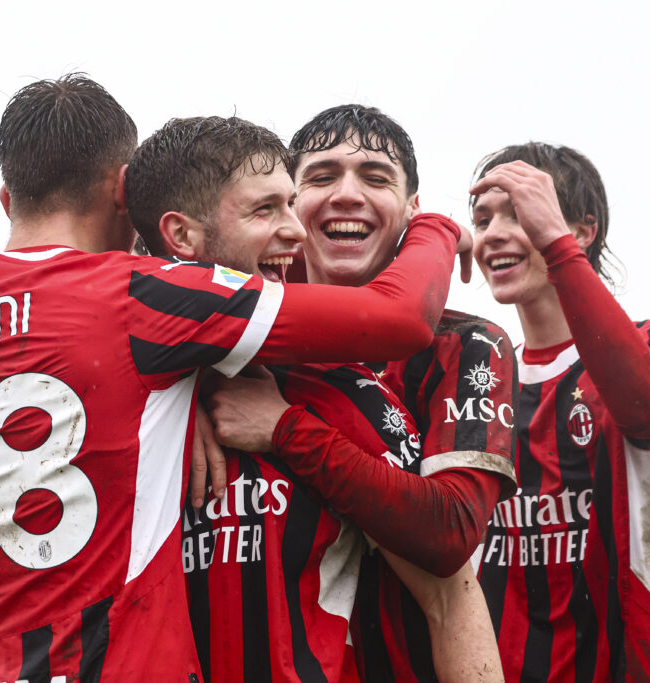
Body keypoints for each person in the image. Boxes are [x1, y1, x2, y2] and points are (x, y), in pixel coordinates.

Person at [0, 75, 467, 682]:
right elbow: (399, 319)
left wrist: (176, 391)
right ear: (123, 190)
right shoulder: (135, 300)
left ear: (9, 199)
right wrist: (436, 228)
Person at [125, 114, 471, 682]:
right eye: (266, 210)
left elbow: (450, 580)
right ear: (180, 236)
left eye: (289, 205)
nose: (295, 230)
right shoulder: (112, 380)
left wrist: (287, 428)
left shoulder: (339, 385)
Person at [206, 104, 519, 682]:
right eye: (321, 177)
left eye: (376, 178)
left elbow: (447, 535)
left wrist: (284, 429)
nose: (347, 194)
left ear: (411, 211)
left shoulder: (469, 345)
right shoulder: (223, 334)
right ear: (287, 206)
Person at [468, 143, 650, 681]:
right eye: (483, 220)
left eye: (520, 213)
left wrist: (554, 247)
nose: (495, 233)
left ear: (581, 229)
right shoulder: (474, 376)